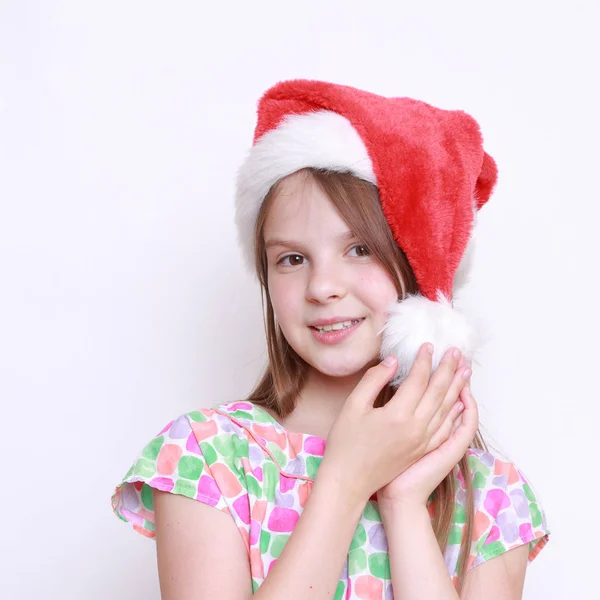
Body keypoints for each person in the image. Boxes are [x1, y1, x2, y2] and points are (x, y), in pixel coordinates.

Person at [111, 80, 551, 599]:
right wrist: (344, 479)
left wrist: (404, 502)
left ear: (421, 264)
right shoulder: (208, 458)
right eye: (291, 259)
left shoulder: (491, 494)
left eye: (360, 249)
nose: (321, 287)